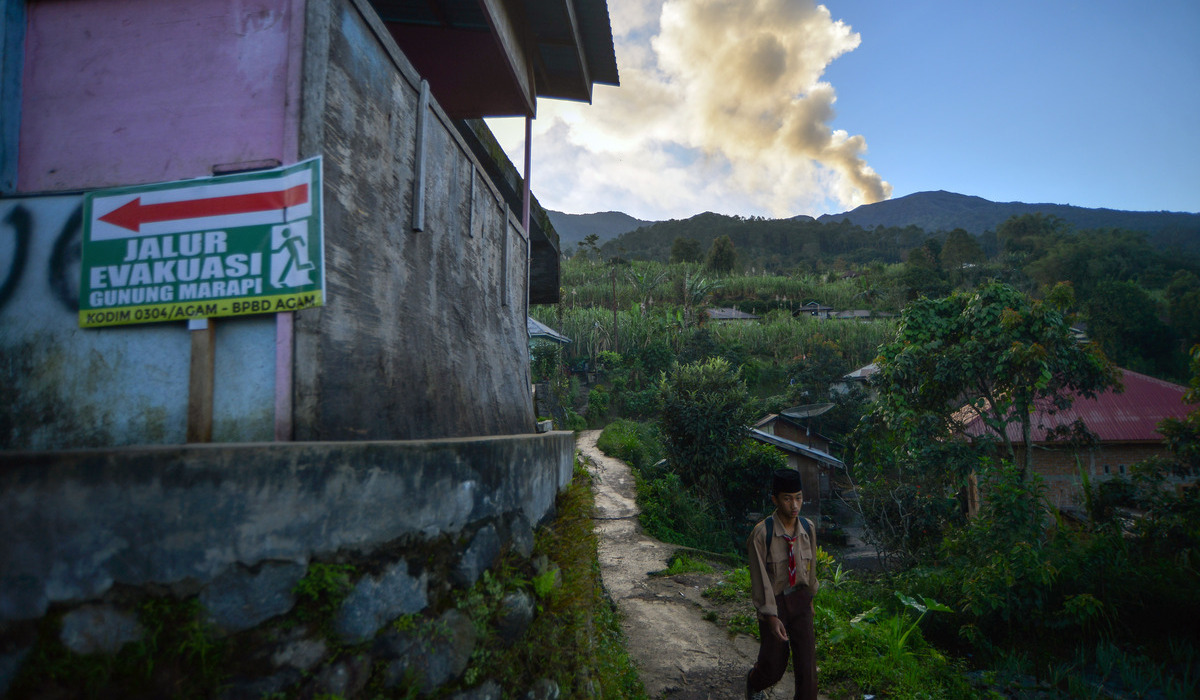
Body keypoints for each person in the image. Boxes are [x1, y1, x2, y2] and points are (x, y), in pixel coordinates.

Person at [745, 468, 819, 700]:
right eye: (787, 498)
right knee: (774, 665)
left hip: (801, 601)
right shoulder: (762, 533)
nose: (794, 505)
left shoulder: (808, 529)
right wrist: (771, 616)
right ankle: (754, 683)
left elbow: (811, 568)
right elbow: (759, 580)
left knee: (807, 670)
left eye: (798, 497)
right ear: (775, 499)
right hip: (775, 603)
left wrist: (811, 599)